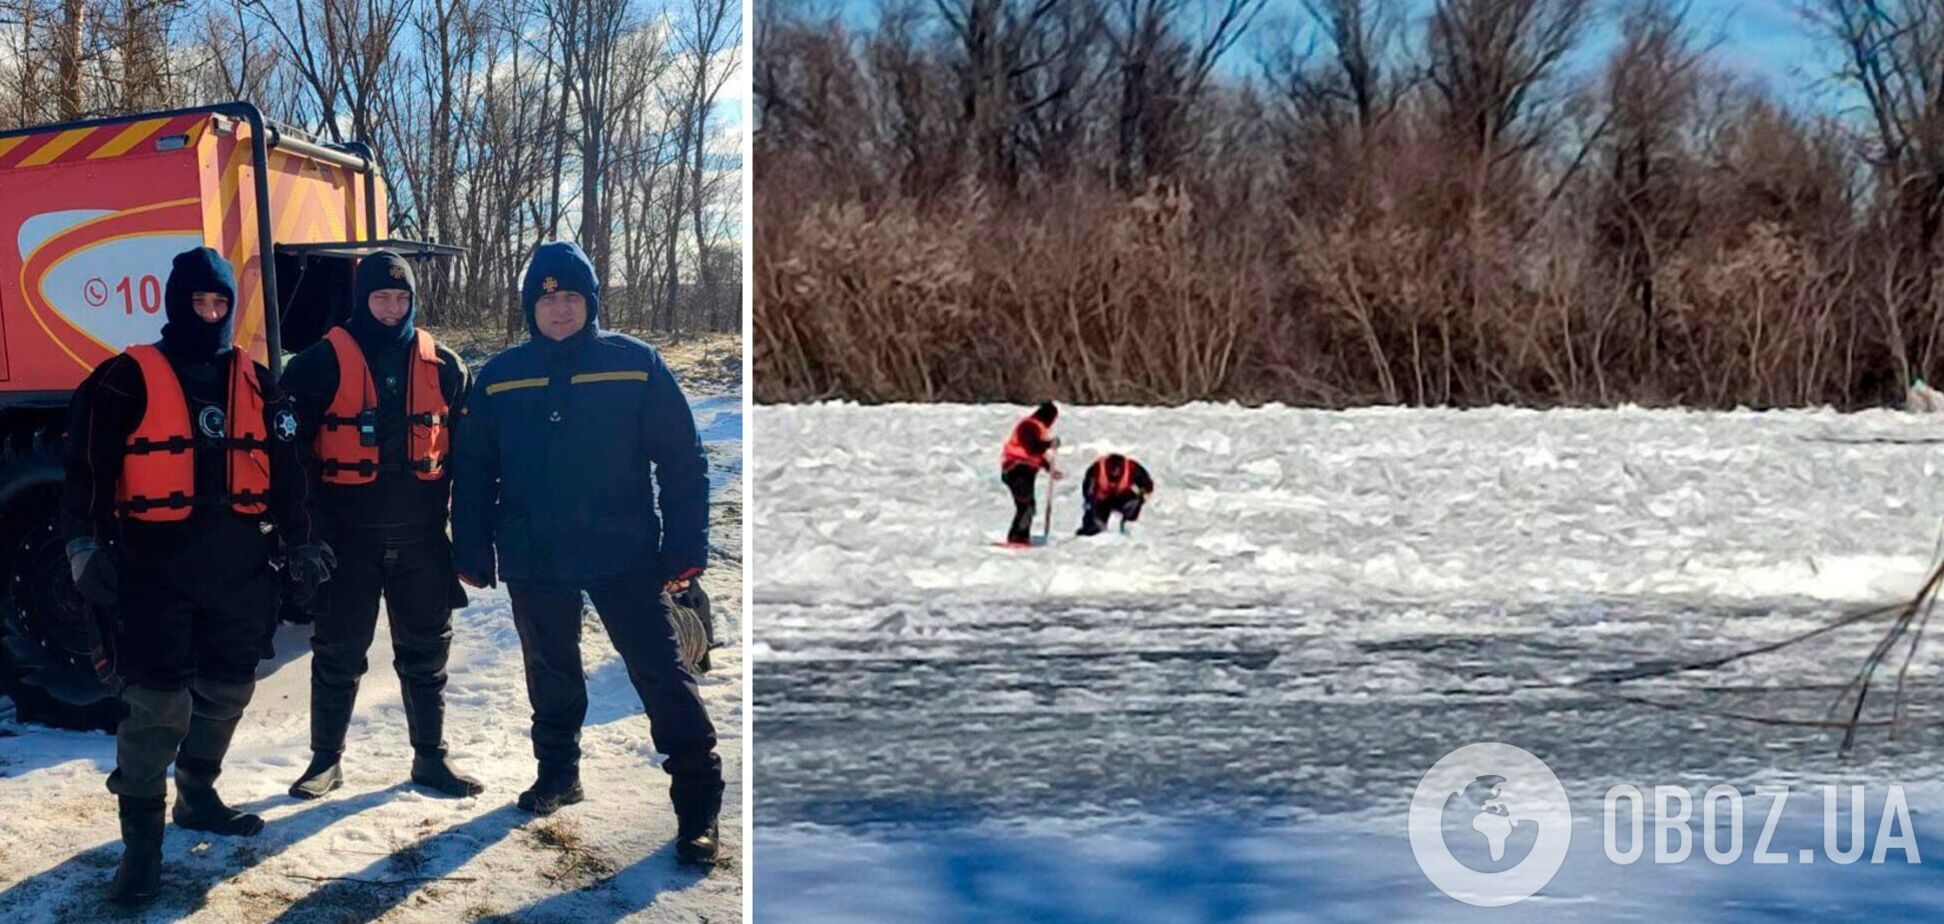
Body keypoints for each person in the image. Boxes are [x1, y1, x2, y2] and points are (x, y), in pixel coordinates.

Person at [62, 247, 328, 906]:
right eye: (198, 302)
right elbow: (87, 468)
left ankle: (198, 793)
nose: (209, 314)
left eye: (219, 303)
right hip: (154, 570)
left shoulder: (260, 383)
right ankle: (142, 848)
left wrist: (301, 542)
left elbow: (290, 470)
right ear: (176, 303)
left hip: (239, 570)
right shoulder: (124, 378)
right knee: (157, 706)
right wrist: (83, 545)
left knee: (230, 688)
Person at [449, 241, 723, 865]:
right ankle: (558, 774)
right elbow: (473, 468)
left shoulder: (635, 365)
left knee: (662, 673)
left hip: (623, 550)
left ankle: (699, 808)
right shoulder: (501, 375)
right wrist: (471, 545)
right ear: (530, 307)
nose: (560, 309)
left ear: (592, 303)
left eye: (572, 297)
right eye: (548, 299)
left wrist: (685, 546)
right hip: (534, 550)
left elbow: (682, 461)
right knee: (550, 669)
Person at [281, 251, 479, 801]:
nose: (392, 308)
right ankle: (325, 761)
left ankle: (430, 757)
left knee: (426, 654)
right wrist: (303, 537)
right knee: (337, 652)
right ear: (361, 299)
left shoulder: (447, 366)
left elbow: (471, 461)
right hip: (347, 541)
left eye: (401, 297)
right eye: (381, 297)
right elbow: (291, 460)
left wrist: (470, 540)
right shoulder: (318, 364)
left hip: (422, 539)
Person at [999, 401, 1062, 546]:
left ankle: (1020, 535)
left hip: (1025, 471)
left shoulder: (1037, 428)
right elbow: (1032, 447)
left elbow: (1036, 455)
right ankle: (1018, 537)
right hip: (1016, 468)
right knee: (1026, 505)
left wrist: (1050, 469)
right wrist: (1049, 444)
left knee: (1028, 506)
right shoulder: (1029, 426)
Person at [1076, 453, 1154, 536]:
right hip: (1102, 501)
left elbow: (1147, 485)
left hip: (1123, 498)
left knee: (1134, 502)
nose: (1114, 472)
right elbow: (1088, 487)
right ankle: (1092, 530)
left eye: (1117, 469)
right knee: (1092, 514)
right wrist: (1089, 502)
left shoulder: (1131, 468)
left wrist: (1141, 496)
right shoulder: (1097, 468)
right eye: (1111, 469)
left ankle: (1129, 527)